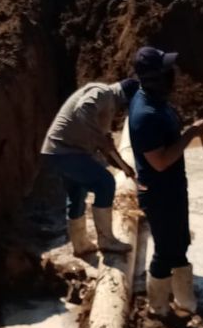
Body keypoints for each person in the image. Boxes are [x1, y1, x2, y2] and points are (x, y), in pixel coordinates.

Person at [128, 47, 203, 317]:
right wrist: (190, 134)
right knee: (165, 250)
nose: (172, 74)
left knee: (180, 242)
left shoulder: (157, 100)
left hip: (172, 187)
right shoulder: (145, 115)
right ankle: (159, 307)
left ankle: (185, 300)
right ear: (154, 77)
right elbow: (160, 161)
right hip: (158, 193)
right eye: (166, 70)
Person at [41, 78, 138, 256]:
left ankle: (80, 245)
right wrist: (101, 140)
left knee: (77, 193)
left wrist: (125, 168)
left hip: (57, 151)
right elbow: (83, 109)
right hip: (66, 150)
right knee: (105, 183)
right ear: (126, 99)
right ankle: (107, 240)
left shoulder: (106, 106)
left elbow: (107, 148)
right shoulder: (103, 92)